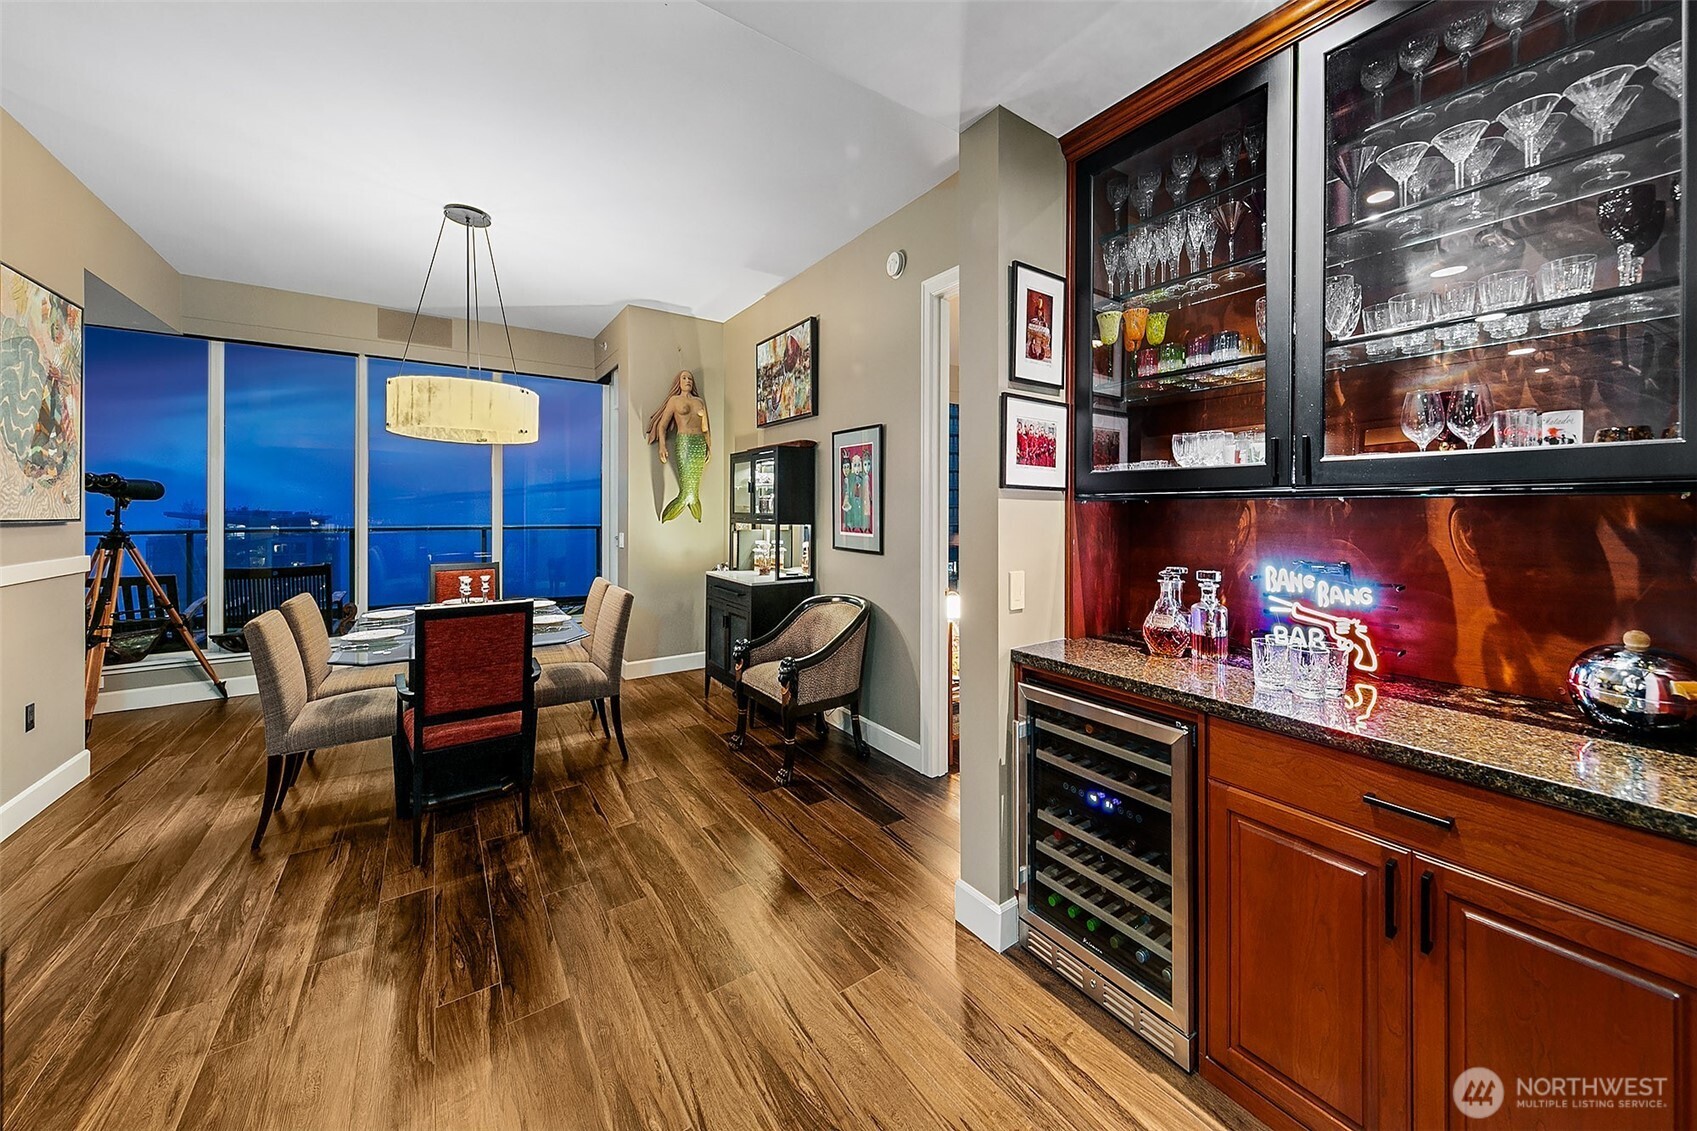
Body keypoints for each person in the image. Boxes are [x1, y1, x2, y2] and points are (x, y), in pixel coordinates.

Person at [646, 369, 711, 522]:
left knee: (694, 484)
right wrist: (662, 445)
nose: (688, 380)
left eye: (690, 378)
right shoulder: (674, 401)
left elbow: (706, 429)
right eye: (684, 378)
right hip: (684, 442)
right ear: (679, 382)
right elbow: (662, 425)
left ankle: (692, 499)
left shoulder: (699, 402)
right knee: (686, 480)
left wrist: (709, 447)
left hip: (699, 443)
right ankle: (685, 499)